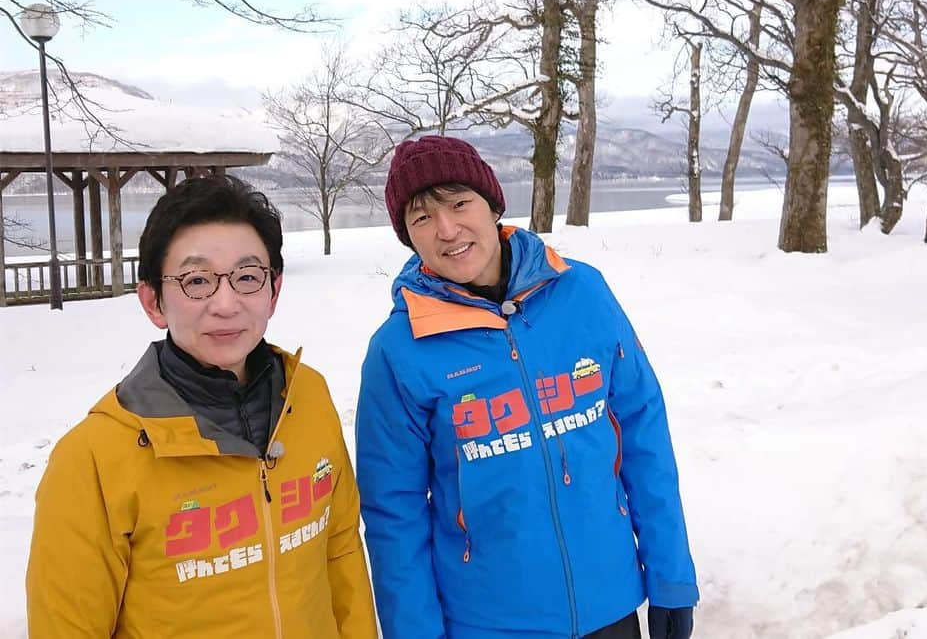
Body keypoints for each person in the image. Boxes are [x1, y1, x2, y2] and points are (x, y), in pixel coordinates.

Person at [355, 136, 698, 639]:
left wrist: (671, 576)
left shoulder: (584, 293)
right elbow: (394, 514)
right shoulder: (399, 350)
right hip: (488, 621)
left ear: (493, 203)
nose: (447, 229)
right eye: (421, 217)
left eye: (458, 203)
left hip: (610, 603)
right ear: (407, 235)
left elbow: (643, 436)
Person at [26, 175, 377, 638]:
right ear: (153, 301)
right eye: (197, 281)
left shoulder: (307, 397)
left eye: (248, 277)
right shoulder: (92, 459)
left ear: (274, 291)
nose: (226, 304)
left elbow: (340, 551)